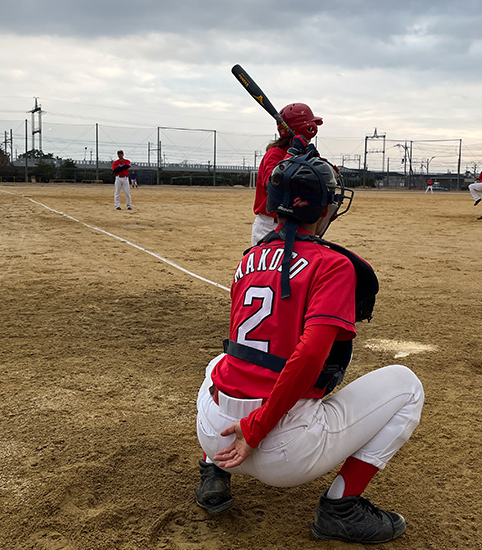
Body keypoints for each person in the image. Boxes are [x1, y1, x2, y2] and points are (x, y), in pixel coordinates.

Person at [195, 152, 425, 544]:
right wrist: (256, 428)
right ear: (324, 207)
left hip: (215, 435)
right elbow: (310, 356)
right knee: (407, 385)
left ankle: (213, 472)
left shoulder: (249, 257)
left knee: (223, 359)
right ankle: (340, 509)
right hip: (282, 451)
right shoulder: (333, 265)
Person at [251, 103, 323, 246]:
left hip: (298, 223)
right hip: (269, 224)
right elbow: (273, 184)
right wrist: (291, 153)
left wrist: (315, 159)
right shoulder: (275, 153)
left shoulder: (305, 153)